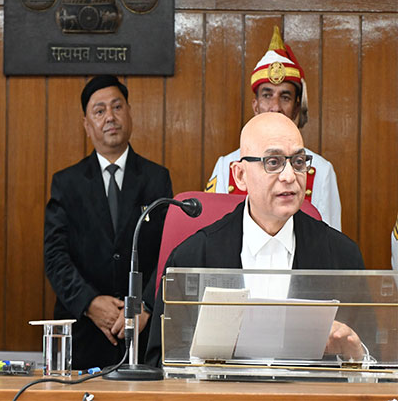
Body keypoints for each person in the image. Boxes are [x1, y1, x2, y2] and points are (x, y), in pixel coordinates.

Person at [146, 113, 366, 367]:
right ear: (240, 175)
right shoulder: (192, 258)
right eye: (273, 162)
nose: (289, 176)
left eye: (297, 161)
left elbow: (370, 356)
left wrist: (357, 356)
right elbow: (159, 362)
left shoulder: (341, 256)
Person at [44, 75, 173, 370]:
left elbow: (168, 252)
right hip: (83, 331)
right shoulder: (67, 183)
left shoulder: (156, 179)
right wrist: (90, 303)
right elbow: (55, 257)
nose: (110, 117)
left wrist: (146, 306)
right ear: (87, 125)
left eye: (117, 107)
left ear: (129, 114)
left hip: (142, 329)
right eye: (99, 111)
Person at [206, 26, 342, 231]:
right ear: (255, 106)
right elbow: (212, 232)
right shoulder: (227, 166)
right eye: (267, 95)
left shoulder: (321, 170)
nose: (275, 106)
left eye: (285, 97)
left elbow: (331, 245)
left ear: (297, 107)